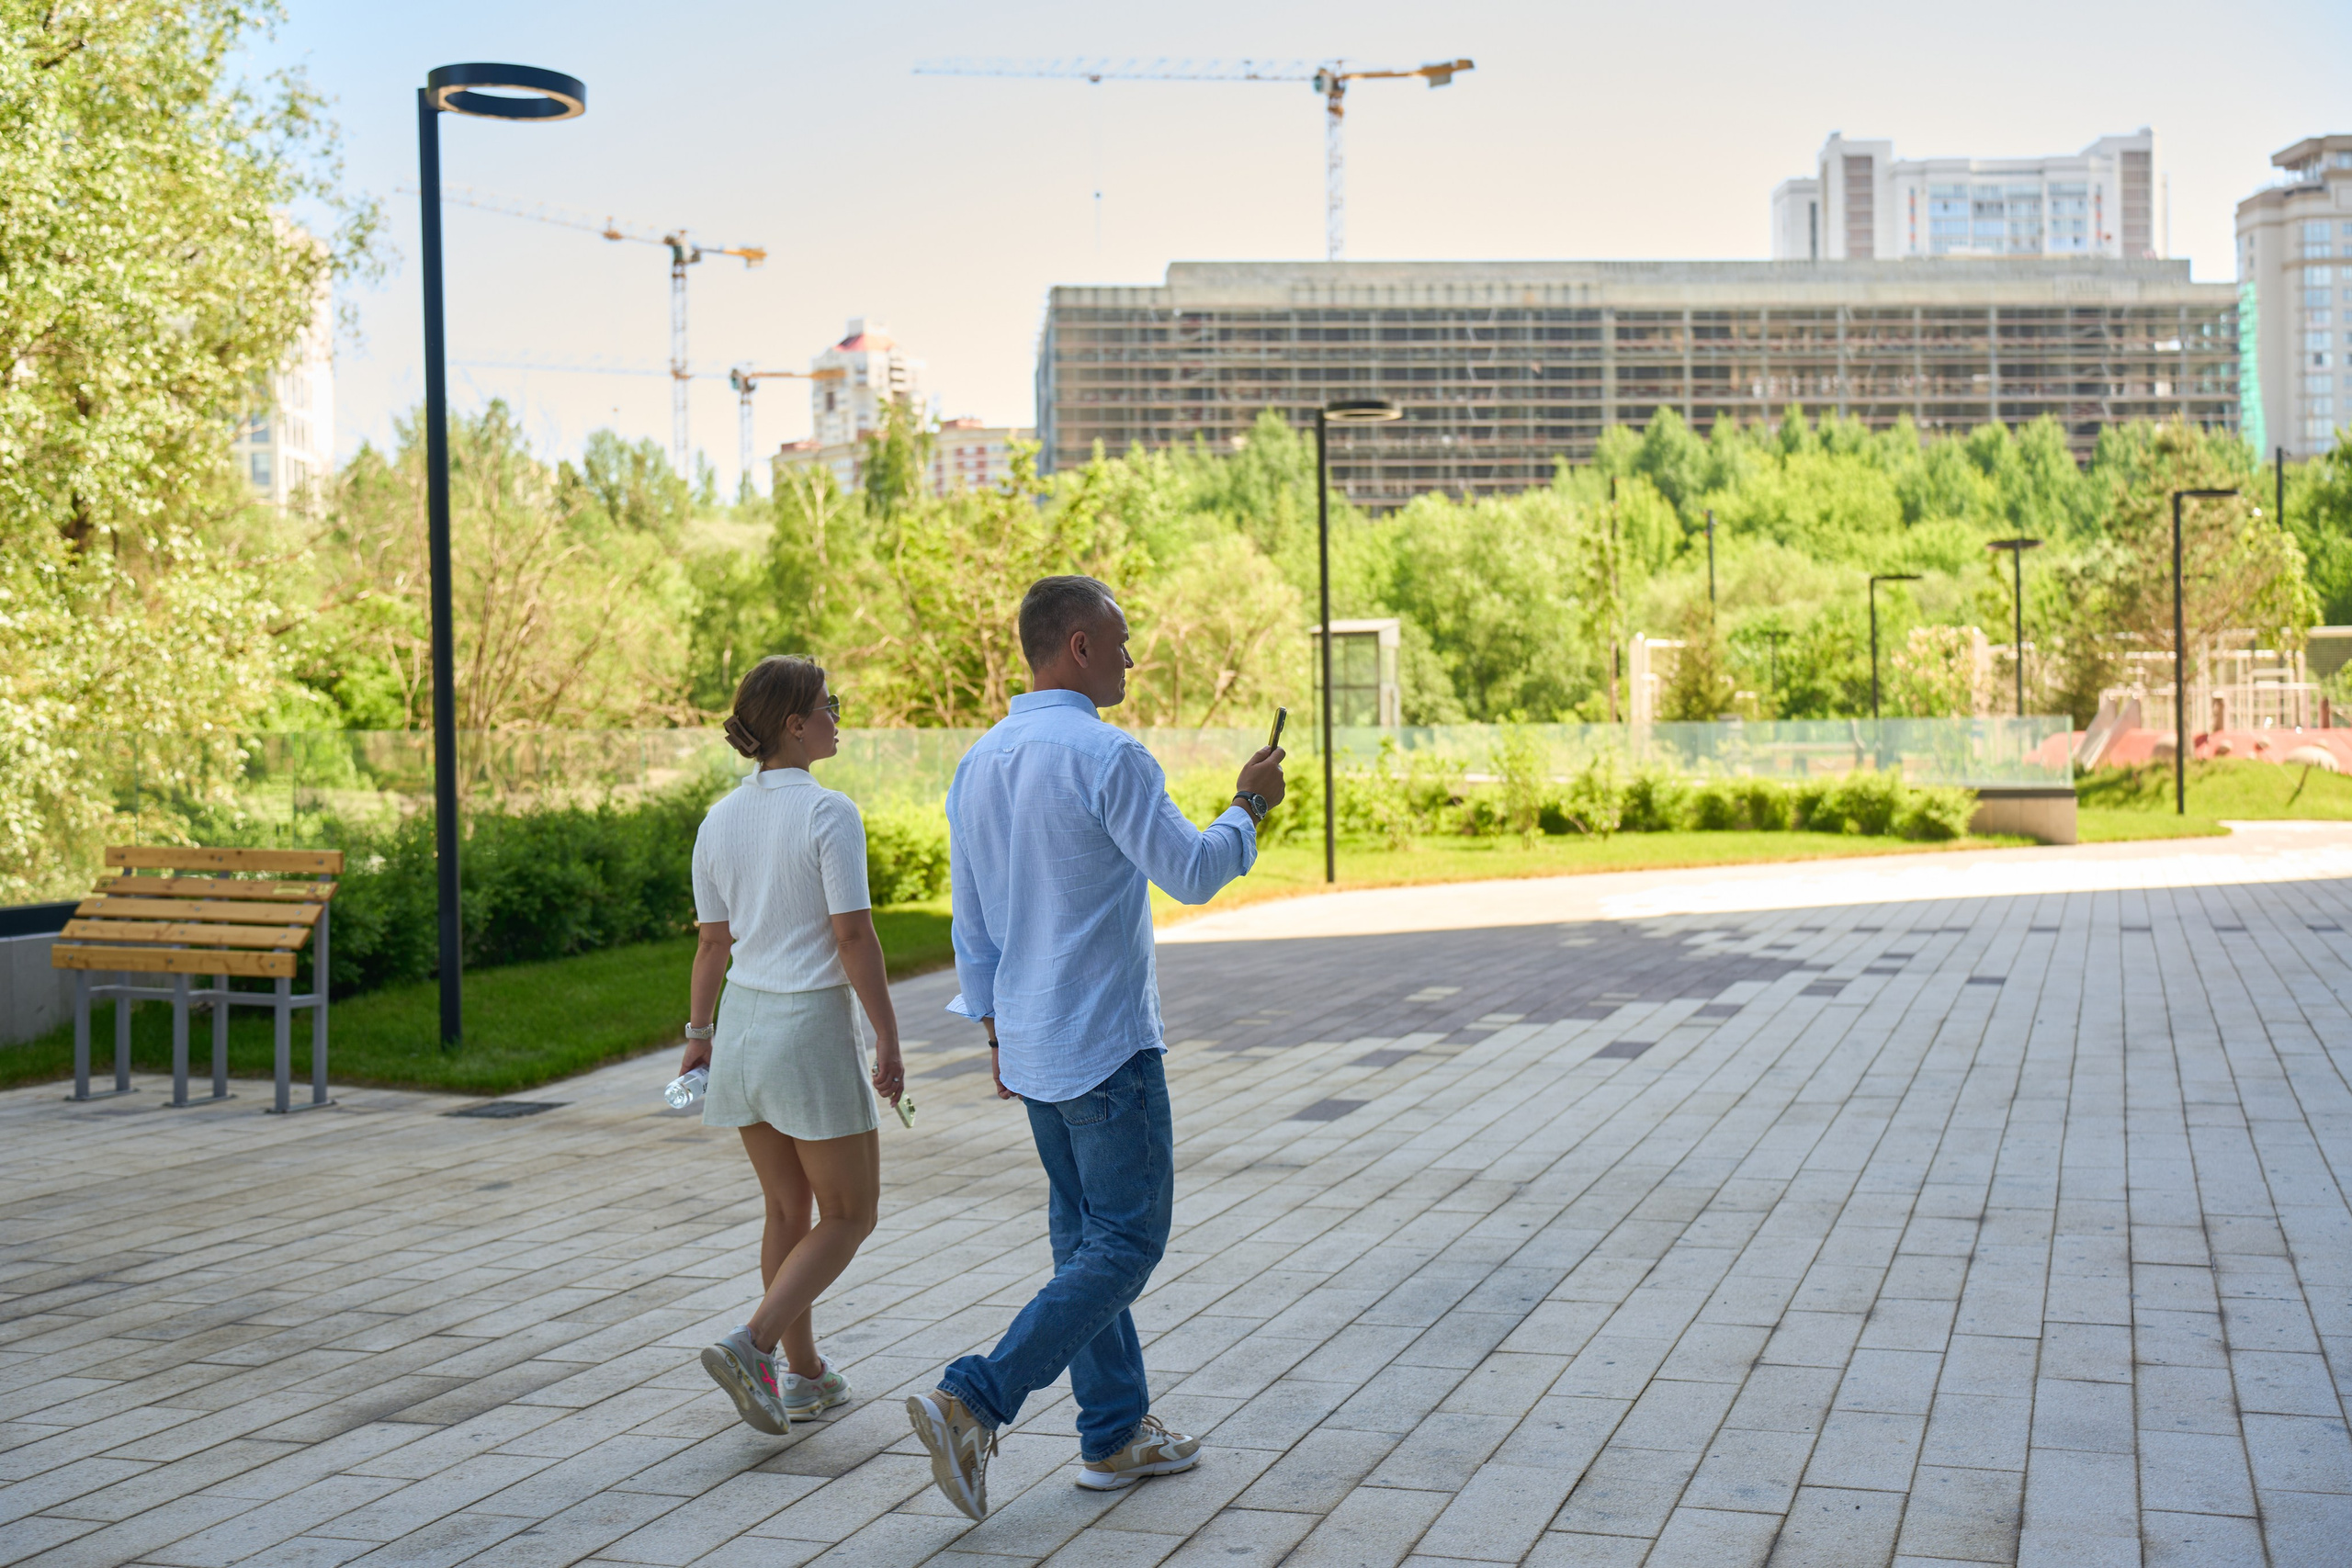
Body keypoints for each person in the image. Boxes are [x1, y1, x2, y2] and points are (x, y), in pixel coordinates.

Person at [905, 575, 1285, 1519]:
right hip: (1106, 1045)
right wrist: (1249, 806)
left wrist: (992, 1024)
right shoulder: (1109, 756)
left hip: (1032, 1042)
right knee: (1125, 1242)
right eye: (1119, 639)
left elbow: (972, 917)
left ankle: (1113, 1433)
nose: (1129, 656)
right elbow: (1193, 872)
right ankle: (975, 1396)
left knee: (1084, 1242)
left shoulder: (980, 762)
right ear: (1075, 645)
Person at [683, 655, 906, 1436]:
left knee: (787, 1205)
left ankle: (806, 1376)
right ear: (792, 723)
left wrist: (698, 1036)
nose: (837, 714)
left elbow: (713, 944)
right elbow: (852, 934)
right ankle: (756, 1343)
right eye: (827, 704)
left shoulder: (718, 819)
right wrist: (887, 1029)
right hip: (807, 1028)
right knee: (850, 1212)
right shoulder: (829, 812)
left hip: (743, 1022)